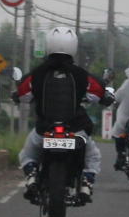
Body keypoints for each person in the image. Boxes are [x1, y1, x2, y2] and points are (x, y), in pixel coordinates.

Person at [13, 26, 107, 203]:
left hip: (44, 130)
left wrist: (17, 95)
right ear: (74, 47)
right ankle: (86, 184)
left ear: (49, 45)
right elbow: (97, 94)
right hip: (76, 130)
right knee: (93, 156)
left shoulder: (37, 74)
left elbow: (24, 95)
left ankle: (32, 177)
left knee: (27, 154)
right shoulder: (81, 75)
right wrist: (105, 95)